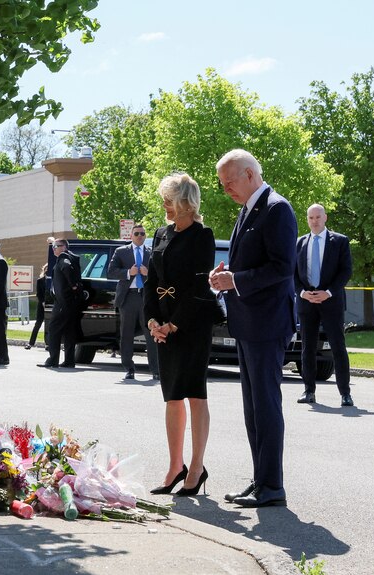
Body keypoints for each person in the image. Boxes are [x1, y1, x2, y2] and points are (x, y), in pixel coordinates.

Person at [210, 149, 297, 508]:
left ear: (249, 174)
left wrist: (237, 280)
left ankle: (272, 485)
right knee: (253, 408)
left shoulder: (277, 209)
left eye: (228, 181)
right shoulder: (249, 210)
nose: (225, 189)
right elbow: (250, 261)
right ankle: (260, 479)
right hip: (248, 322)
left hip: (267, 322)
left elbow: (281, 267)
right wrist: (224, 276)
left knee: (265, 405)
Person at [144, 174, 216, 497]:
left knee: (194, 394)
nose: (164, 206)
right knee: (172, 395)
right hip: (163, 326)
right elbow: (150, 282)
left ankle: (197, 468)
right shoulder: (161, 233)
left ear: (185, 202)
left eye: (169, 199)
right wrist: (152, 322)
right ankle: (176, 466)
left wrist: (173, 325)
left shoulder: (203, 236)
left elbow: (199, 287)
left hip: (191, 326)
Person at [295, 204, 354, 407]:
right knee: (307, 348)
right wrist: (303, 293)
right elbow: (292, 274)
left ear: (325, 217)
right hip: (307, 302)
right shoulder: (300, 243)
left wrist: (328, 292)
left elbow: (346, 271)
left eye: (318, 217)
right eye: (311, 217)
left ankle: (345, 393)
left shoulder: (339, 241)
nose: (315, 221)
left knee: (338, 346)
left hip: (331, 301)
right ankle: (308, 391)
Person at [109, 224, 160, 380]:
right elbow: (110, 272)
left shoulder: (152, 253)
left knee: (151, 333)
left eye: (142, 234)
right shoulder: (121, 252)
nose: (139, 236)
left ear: (145, 236)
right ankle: (129, 368)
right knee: (127, 334)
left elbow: (160, 274)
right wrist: (127, 273)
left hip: (146, 298)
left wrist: (148, 272)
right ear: (131, 236)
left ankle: (156, 370)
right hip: (128, 297)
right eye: (136, 233)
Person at [39, 238, 81, 369]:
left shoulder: (64, 259)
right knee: (69, 332)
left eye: (55, 246)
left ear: (63, 247)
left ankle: (53, 359)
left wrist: (73, 285)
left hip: (63, 302)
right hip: (69, 302)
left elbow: (67, 268)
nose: (53, 249)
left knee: (54, 330)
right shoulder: (69, 257)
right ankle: (69, 361)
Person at [25, 263, 48, 349]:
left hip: (50, 305)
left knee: (49, 325)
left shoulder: (53, 280)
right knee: (38, 324)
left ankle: (48, 344)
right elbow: (39, 293)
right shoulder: (40, 280)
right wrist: (42, 302)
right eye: (46, 269)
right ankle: (31, 343)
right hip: (41, 306)